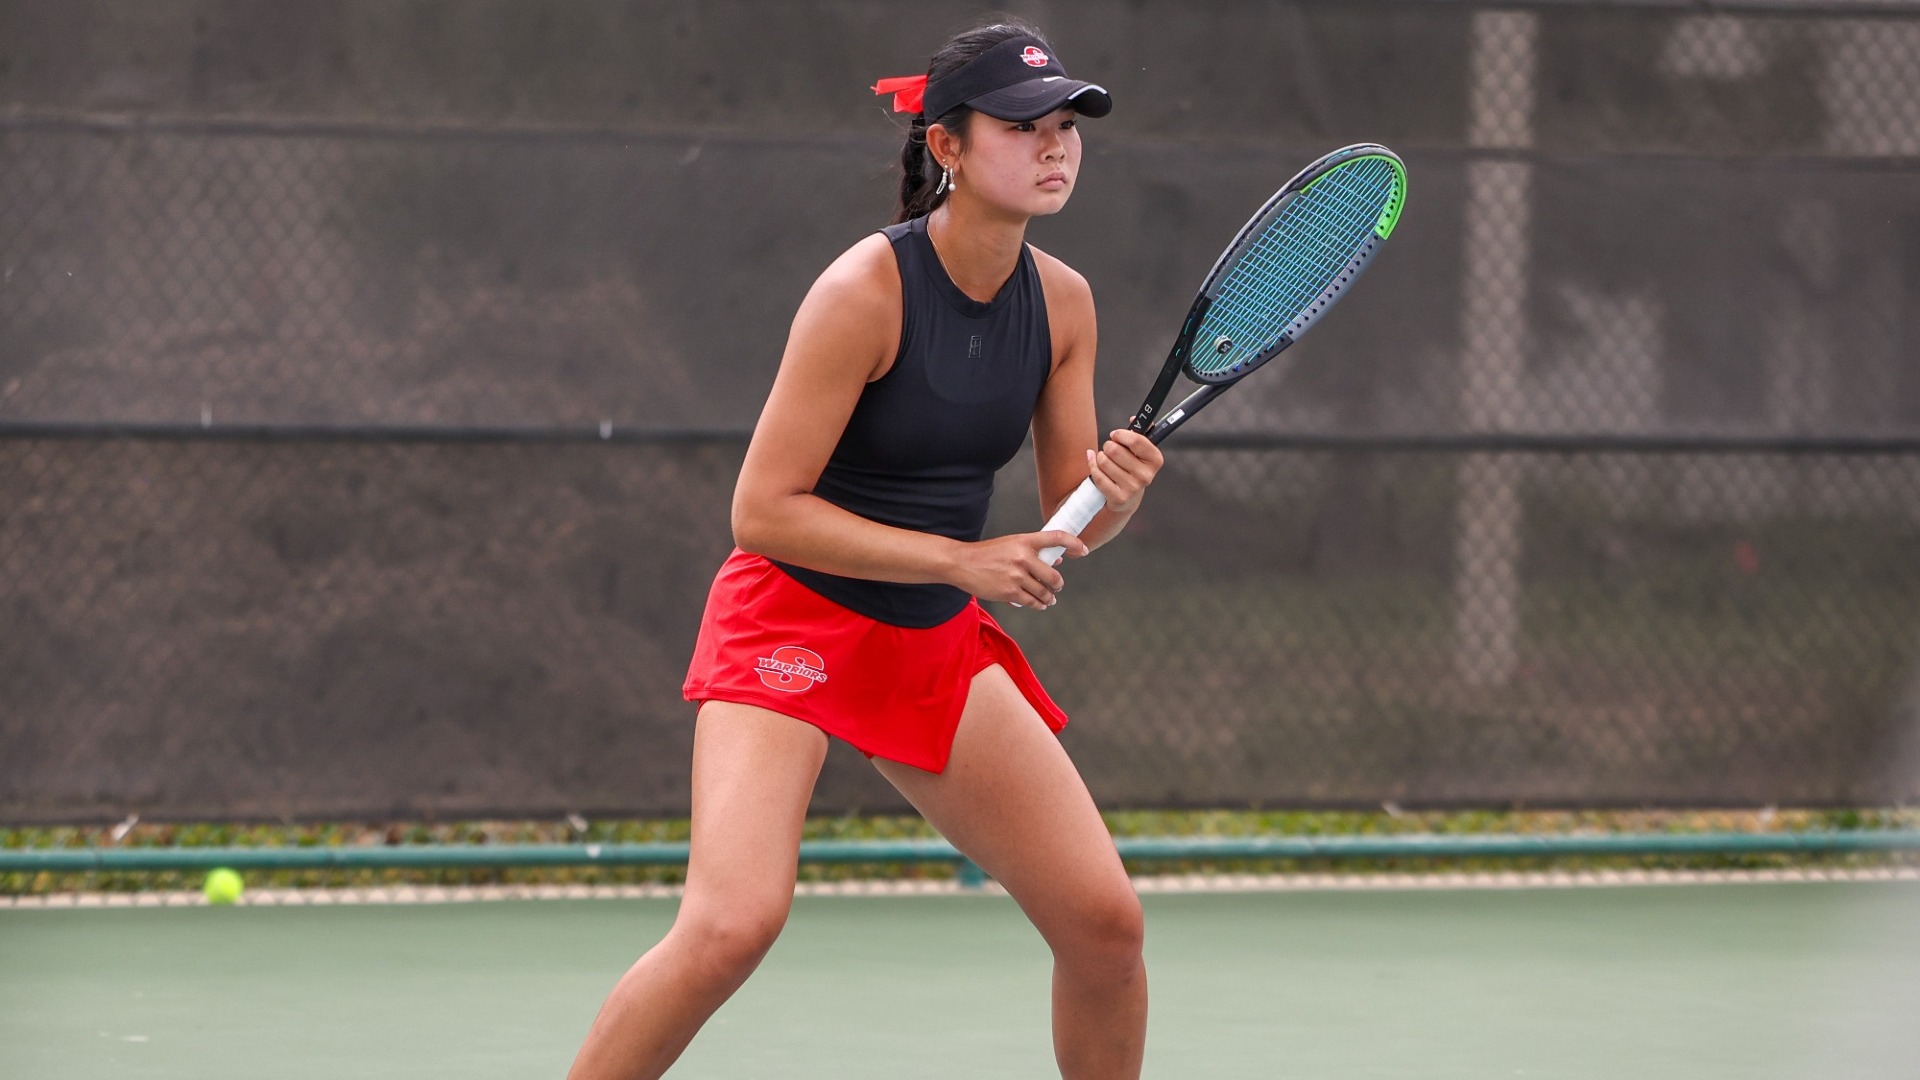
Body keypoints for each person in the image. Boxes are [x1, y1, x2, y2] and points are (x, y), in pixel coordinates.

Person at [567, 21, 1162, 1080]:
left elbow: (1073, 521)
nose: (1055, 146)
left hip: (928, 638)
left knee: (1107, 932)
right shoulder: (864, 292)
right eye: (1024, 126)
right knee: (729, 926)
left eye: (1065, 126)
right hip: (793, 617)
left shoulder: (1062, 304)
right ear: (947, 147)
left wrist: (1111, 499)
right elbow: (763, 511)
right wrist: (959, 562)